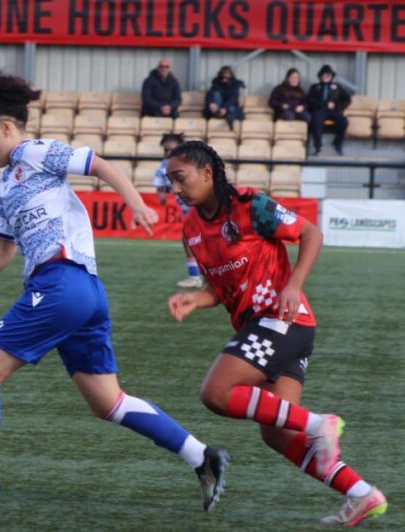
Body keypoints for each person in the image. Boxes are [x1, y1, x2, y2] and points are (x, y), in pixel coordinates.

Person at [0, 71, 229, 514]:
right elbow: (1, 250)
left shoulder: (32, 151)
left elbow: (100, 165)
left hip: (61, 283)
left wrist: (135, 202)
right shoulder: (7, 182)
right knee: (108, 402)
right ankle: (200, 456)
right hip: (84, 292)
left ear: (7, 128)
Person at [164, 141, 387, 526]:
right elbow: (217, 290)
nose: (175, 189)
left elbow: (311, 234)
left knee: (216, 392)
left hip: (284, 320)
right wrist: (194, 301)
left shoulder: (254, 207)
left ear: (207, 173)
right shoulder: (191, 229)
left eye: (180, 178)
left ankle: (321, 424)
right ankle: (362, 493)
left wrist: (294, 284)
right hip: (266, 327)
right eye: (170, 181)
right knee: (277, 433)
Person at [153, 133, 201, 288]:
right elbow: (161, 186)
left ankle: (198, 277)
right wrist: (161, 194)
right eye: (166, 150)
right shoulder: (164, 166)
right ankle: (196, 276)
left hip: (200, 205)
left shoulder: (191, 162)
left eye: (172, 150)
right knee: (189, 239)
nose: (169, 153)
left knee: (194, 238)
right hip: (189, 209)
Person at [307, 65, 352, 156]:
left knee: (343, 122)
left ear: (331, 76)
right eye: (324, 75)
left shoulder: (337, 87)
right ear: (320, 76)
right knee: (316, 121)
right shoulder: (315, 87)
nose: (326, 77)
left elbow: (347, 99)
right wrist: (323, 104)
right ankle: (318, 147)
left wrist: (337, 106)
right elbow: (310, 100)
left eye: (328, 75)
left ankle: (337, 144)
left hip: (333, 110)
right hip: (319, 110)